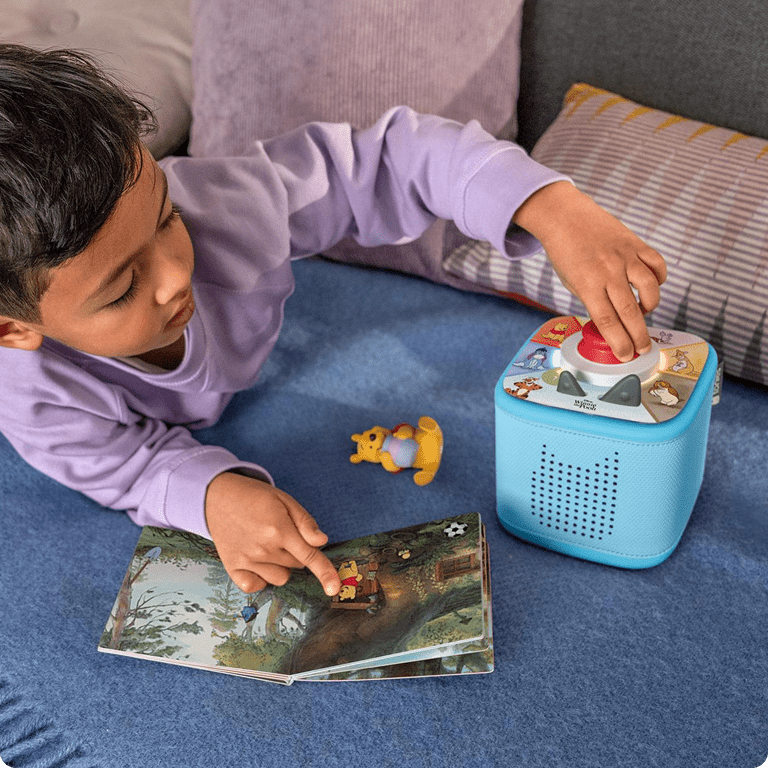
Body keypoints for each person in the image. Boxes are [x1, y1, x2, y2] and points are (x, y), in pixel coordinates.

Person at [0, 45, 666, 598]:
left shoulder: (228, 209)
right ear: (13, 330)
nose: (177, 273)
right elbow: (121, 465)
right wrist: (209, 494)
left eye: (165, 216)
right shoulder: (31, 395)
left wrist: (549, 206)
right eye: (123, 289)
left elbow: (388, 162)